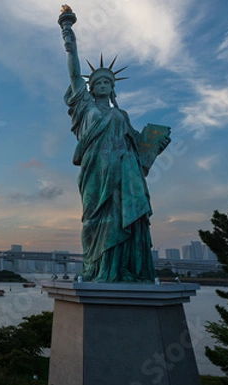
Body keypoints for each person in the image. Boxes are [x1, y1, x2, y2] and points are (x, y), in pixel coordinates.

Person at [61, 22, 170, 283]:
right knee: (92, 220)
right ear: (91, 87)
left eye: (107, 82)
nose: (102, 84)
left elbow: (139, 148)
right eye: (97, 81)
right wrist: (69, 39)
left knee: (121, 219)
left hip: (122, 172)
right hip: (94, 170)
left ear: (112, 88)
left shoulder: (121, 115)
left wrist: (156, 146)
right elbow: (75, 75)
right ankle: (93, 268)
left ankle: (120, 268)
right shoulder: (84, 107)